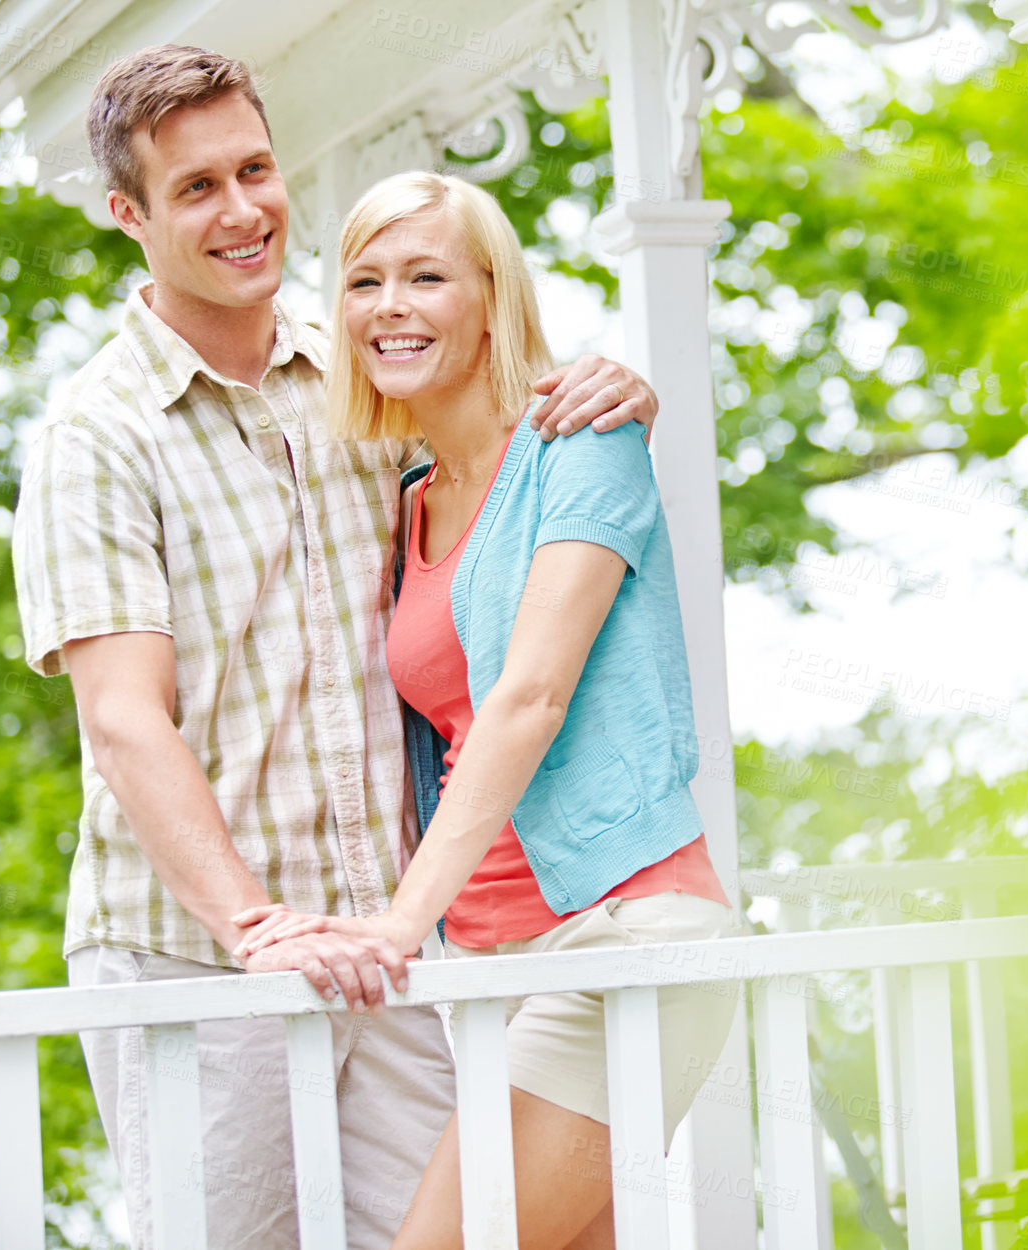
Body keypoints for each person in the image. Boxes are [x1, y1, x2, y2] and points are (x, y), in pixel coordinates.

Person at [11, 44, 660, 1250]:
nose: (243, 209)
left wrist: (608, 383)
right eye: (196, 187)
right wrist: (251, 920)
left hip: (383, 945)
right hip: (194, 958)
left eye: (254, 169)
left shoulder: (360, 379)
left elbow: (499, 441)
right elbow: (122, 717)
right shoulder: (95, 438)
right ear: (128, 214)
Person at [232, 171, 739, 1249]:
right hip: (499, 965)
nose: (391, 304)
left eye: (426, 275)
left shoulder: (580, 446)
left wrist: (398, 921)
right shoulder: (409, 494)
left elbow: (530, 695)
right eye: (364, 280)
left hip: (621, 940)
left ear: (492, 297)